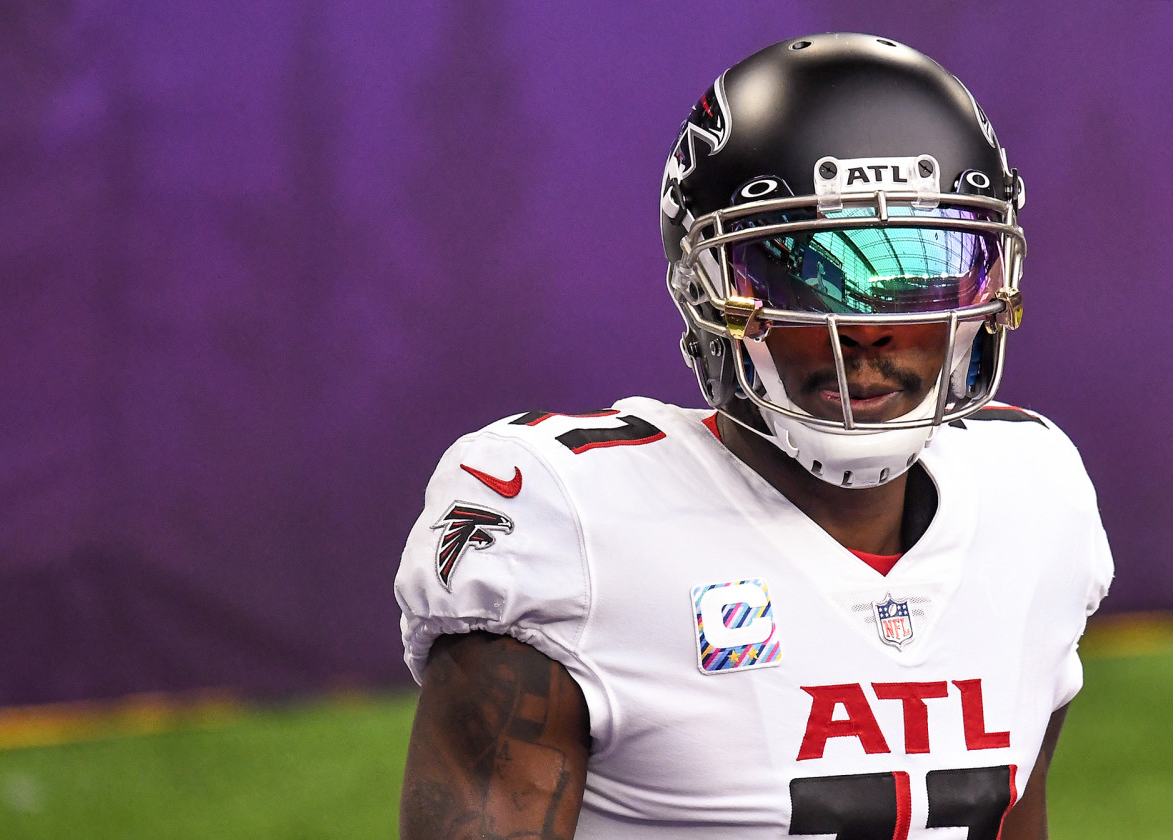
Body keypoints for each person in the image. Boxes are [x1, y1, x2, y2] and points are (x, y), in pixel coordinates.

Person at [394, 32, 1113, 840]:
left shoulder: (1033, 494)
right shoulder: (575, 528)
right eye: (803, 269)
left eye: (924, 267)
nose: (868, 327)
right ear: (708, 293)